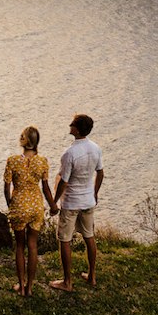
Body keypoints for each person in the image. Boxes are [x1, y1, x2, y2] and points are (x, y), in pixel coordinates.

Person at [51, 113, 105, 292]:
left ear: (78, 129)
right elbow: (100, 173)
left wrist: (54, 201)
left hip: (72, 203)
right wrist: (95, 193)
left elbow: (64, 181)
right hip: (88, 200)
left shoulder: (70, 153)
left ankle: (67, 282)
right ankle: (92, 276)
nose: (69, 125)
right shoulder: (96, 148)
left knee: (65, 240)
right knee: (89, 236)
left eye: (72, 124)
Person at [0, 126, 53, 297]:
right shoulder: (43, 161)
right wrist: (52, 205)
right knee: (33, 245)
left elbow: (7, 187)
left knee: (20, 246)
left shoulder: (12, 160)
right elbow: (45, 187)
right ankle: (30, 287)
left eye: (22, 135)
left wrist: (11, 205)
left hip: (19, 205)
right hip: (36, 205)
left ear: (25, 141)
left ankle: (21, 286)